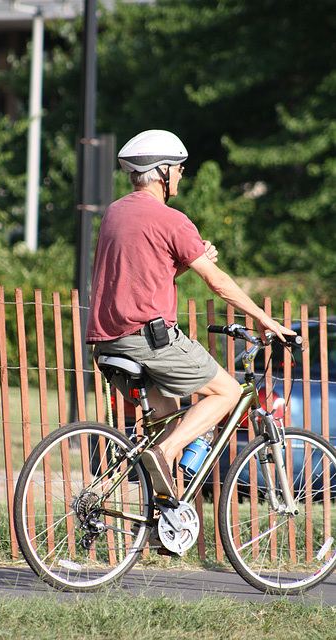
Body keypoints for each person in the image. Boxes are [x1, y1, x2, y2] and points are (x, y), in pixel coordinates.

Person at [86, 129, 295, 499]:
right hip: (149, 340)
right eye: (179, 168)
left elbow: (138, 278)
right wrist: (265, 320)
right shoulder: (172, 220)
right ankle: (163, 454)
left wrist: (181, 263)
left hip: (108, 343)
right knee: (227, 393)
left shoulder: (114, 214)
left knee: (169, 418)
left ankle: (157, 526)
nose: (182, 174)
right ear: (163, 171)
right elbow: (218, 283)